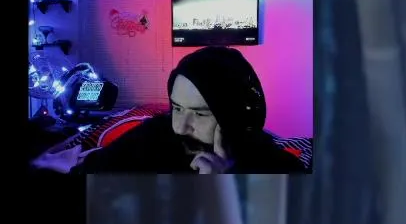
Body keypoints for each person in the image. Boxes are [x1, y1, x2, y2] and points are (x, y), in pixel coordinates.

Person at [51, 46, 306, 174]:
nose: (180, 127)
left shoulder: (277, 165)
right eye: (177, 108)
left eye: (200, 113)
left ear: (236, 115)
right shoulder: (153, 134)